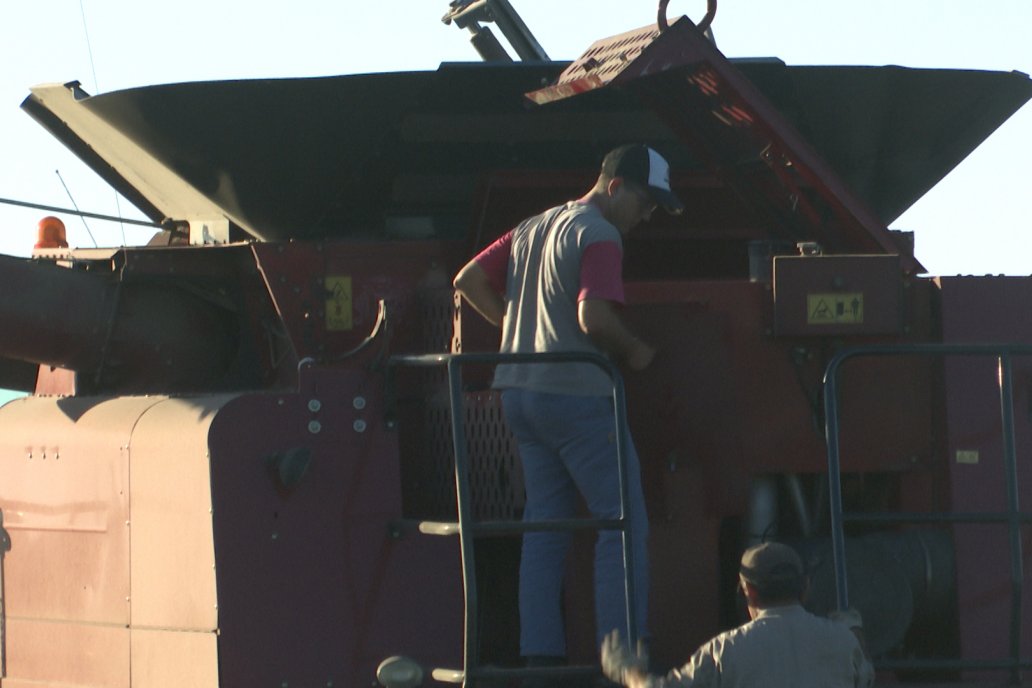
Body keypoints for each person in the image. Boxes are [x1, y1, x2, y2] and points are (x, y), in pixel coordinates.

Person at [452, 144, 684, 676]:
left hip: (518, 393)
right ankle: (622, 661)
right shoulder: (600, 234)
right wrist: (636, 351)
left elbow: (466, 280)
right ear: (616, 187)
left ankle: (540, 660)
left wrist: (515, 329)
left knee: (544, 527)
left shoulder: (533, 226)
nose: (646, 218)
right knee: (622, 524)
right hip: (578, 397)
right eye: (646, 204)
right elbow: (594, 318)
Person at [601, 541, 875, 688]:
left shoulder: (724, 651)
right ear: (805, 588)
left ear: (748, 592)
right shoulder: (843, 641)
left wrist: (628, 672)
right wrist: (854, 631)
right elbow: (865, 677)